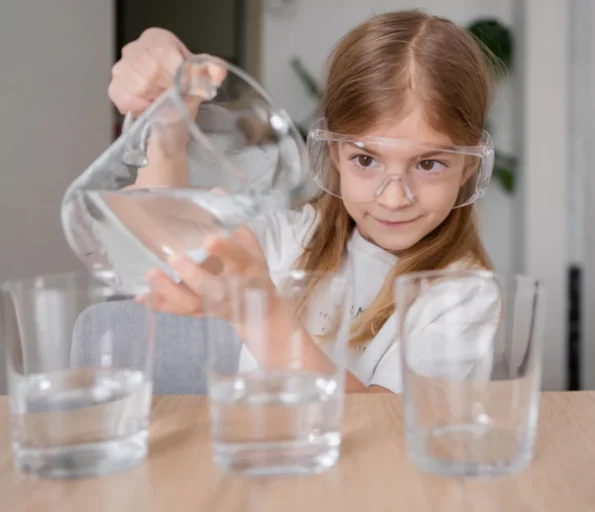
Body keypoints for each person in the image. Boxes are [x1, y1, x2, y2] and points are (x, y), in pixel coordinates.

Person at [108, 9, 500, 394]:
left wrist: (262, 315)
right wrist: (166, 125)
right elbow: (163, 249)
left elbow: (391, 429)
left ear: (468, 167)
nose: (395, 198)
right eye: (365, 160)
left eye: (428, 164)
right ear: (334, 155)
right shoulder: (289, 241)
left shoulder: (463, 294)